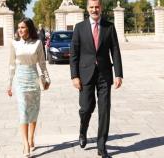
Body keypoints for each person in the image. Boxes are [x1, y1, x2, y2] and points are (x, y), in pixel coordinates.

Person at [70, 0, 123, 158]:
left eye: (97, 7)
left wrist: (118, 74)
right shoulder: (79, 27)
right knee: (86, 108)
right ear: (87, 9)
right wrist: (74, 76)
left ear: (101, 8)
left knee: (104, 110)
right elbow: (74, 53)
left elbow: (115, 50)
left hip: (104, 75)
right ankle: (83, 130)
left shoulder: (109, 26)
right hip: (85, 74)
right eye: (92, 7)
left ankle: (102, 146)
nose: (94, 9)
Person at [7, 17, 51, 157]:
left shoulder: (38, 43)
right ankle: (25, 144)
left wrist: (47, 79)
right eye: (19, 27)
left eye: (23, 27)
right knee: (23, 111)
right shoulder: (14, 44)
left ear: (29, 28)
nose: (20, 30)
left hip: (33, 78)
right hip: (20, 80)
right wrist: (9, 83)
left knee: (33, 110)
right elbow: (11, 65)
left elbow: (42, 63)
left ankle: (31, 137)